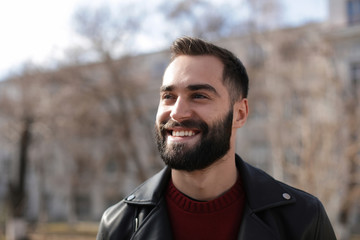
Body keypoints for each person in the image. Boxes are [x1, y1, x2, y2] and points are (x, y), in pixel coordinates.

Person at [96, 37, 336, 240]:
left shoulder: (304, 219)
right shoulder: (118, 225)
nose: (177, 112)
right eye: (168, 96)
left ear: (239, 114)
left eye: (199, 95)